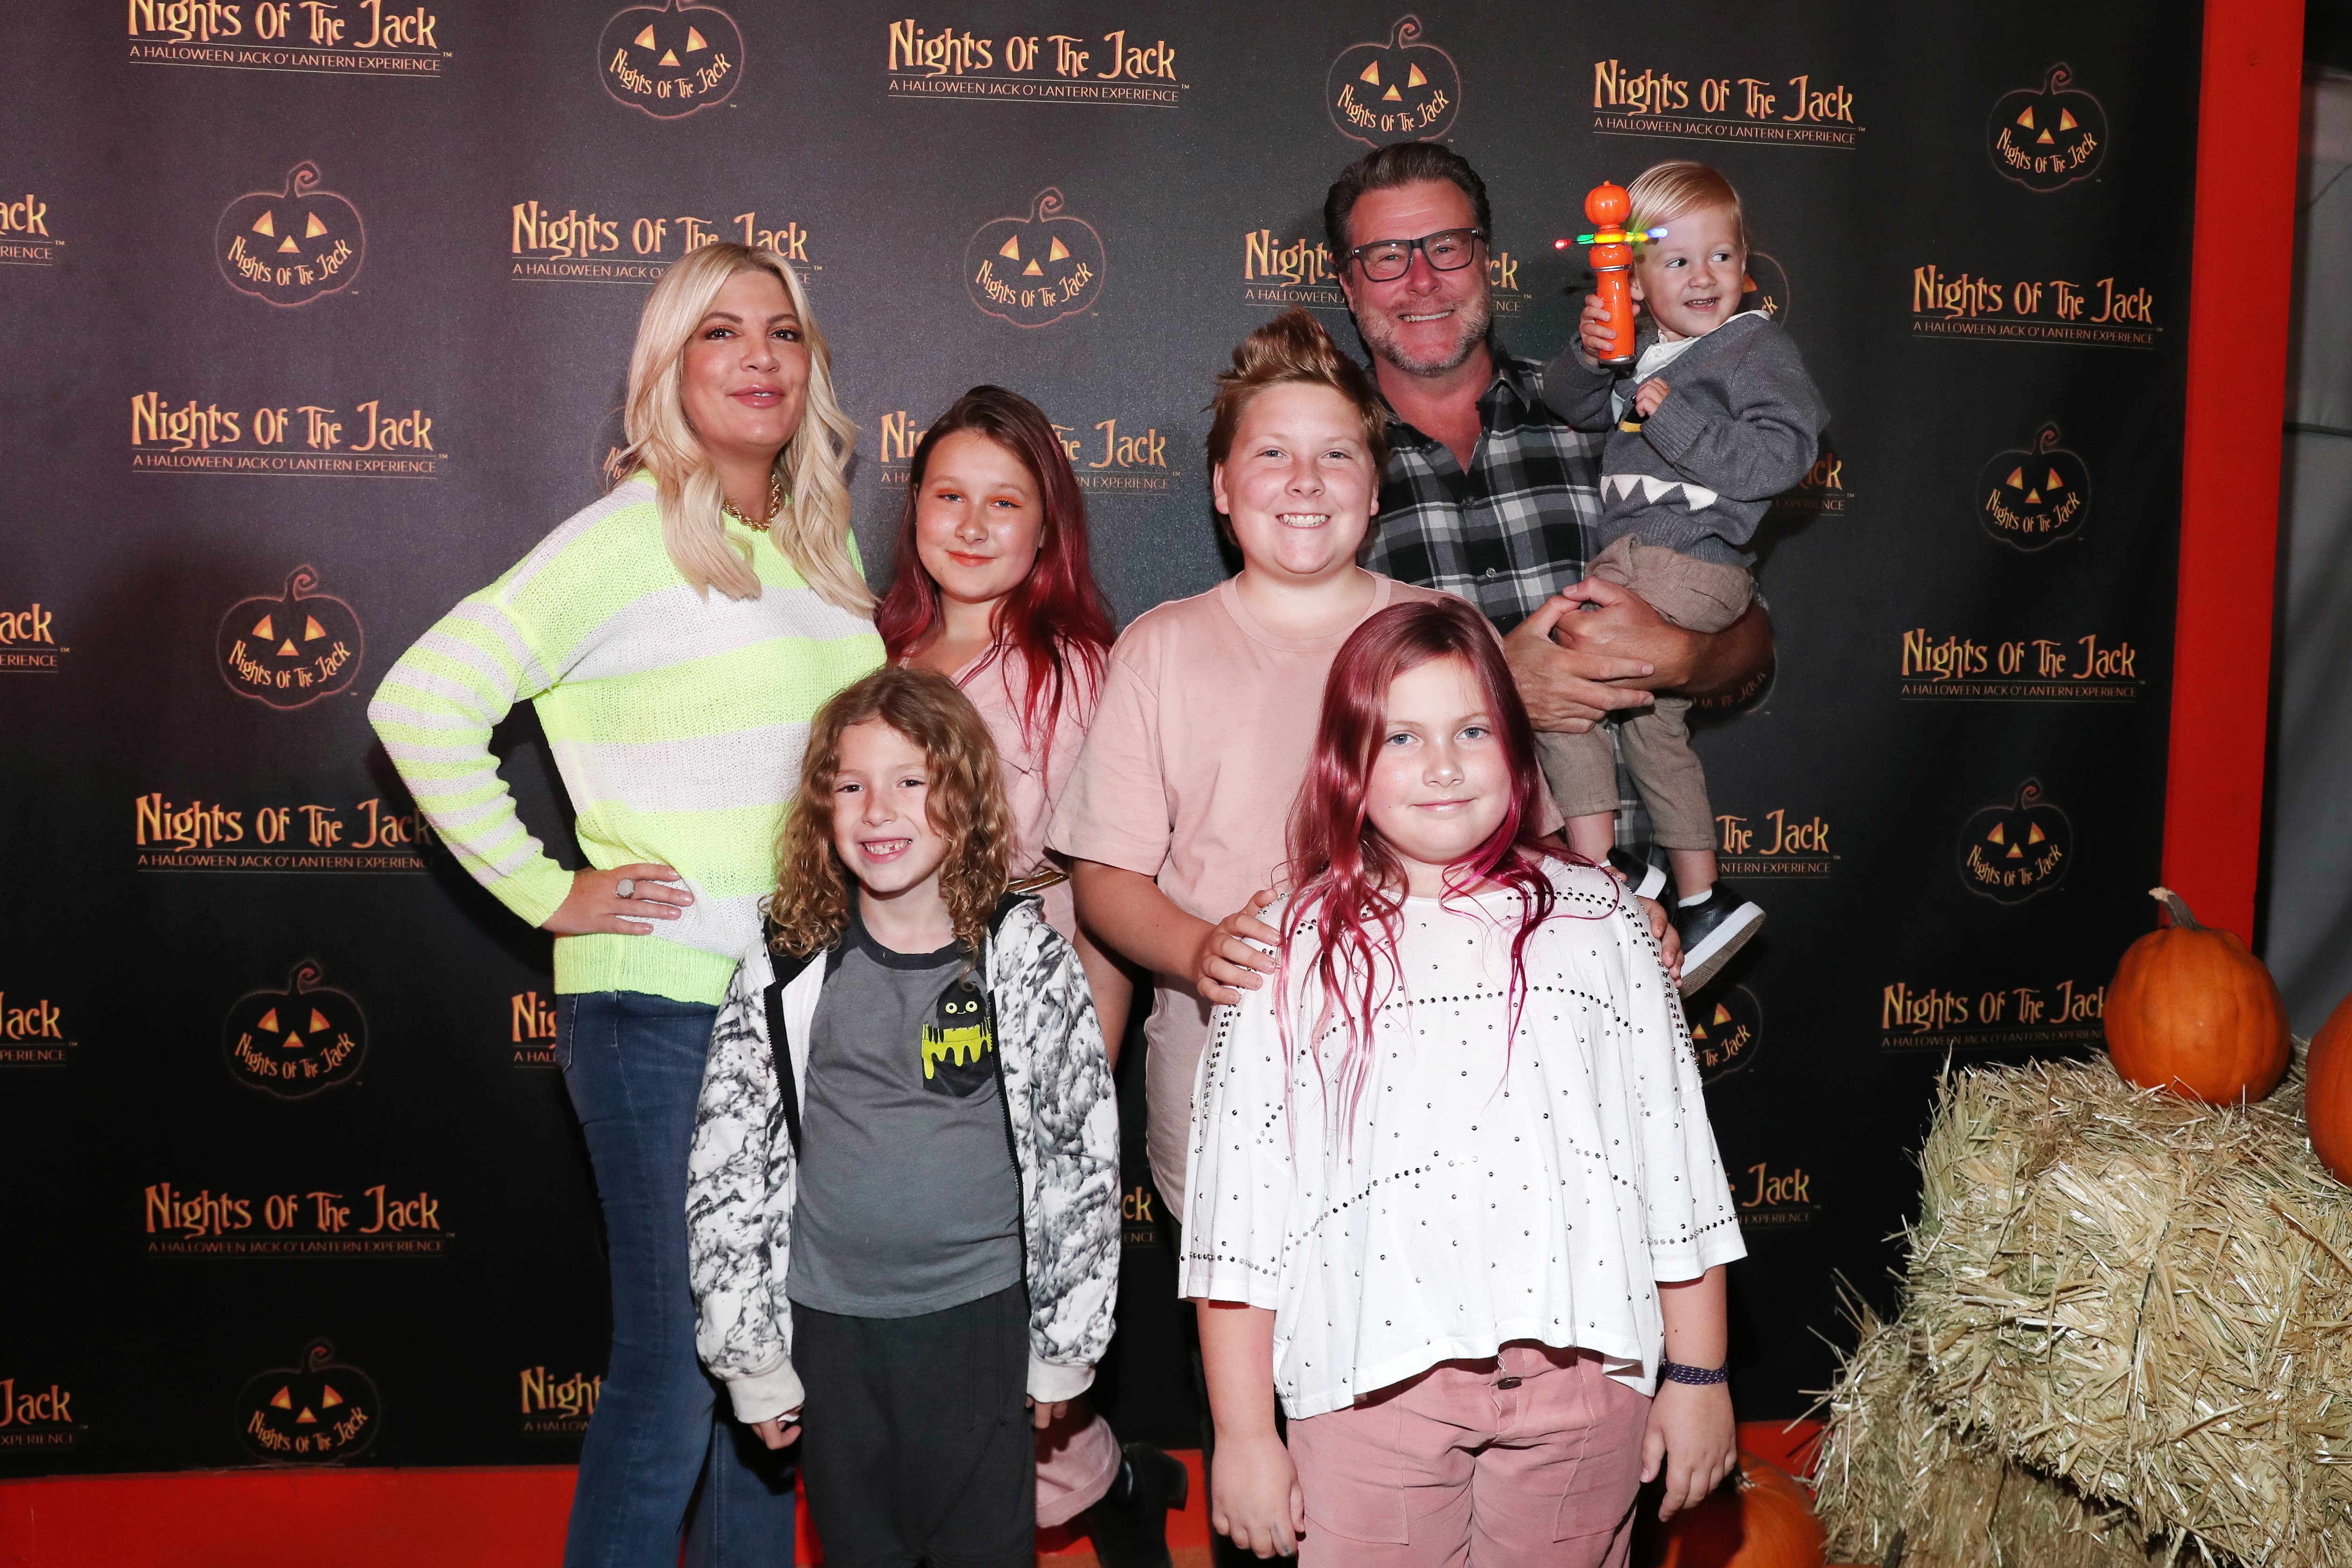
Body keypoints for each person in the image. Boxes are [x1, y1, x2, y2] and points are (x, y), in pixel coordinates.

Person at [370, 241, 880, 1566]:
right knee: (671, 1367)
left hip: (794, 1013)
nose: (760, 355)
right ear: (667, 368)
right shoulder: (627, 534)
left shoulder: (816, 549)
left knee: (763, 1363)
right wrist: (552, 890)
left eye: (783, 330)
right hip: (658, 1008)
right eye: (720, 333)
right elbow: (419, 703)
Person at [1182, 597, 1746, 1566]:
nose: (1442, 765)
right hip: (1369, 1395)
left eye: (1472, 730)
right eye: (1402, 736)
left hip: (1585, 1390)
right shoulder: (1283, 949)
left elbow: (1675, 1162)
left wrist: (1700, 1374)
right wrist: (1241, 1434)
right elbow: (1239, 1223)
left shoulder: (1600, 919)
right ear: (1347, 763)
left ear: (1517, 747)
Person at [686, 666, 1121, 1568]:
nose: (878, 810)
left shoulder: (1023, 956)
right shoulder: (785, 963)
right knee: (859, 1549)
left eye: (910, 782)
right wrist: (753, 1359)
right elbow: (728, 1166)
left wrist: (1064, 1341)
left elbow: (1077, 1151)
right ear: (822, 808)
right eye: (851, 786)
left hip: (979, 1315)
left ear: (962, 797)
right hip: (830, 1322)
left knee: (982, 1552)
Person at [874, 386, 1186, 1565]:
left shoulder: (1079, 674)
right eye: (948, 496)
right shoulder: (870, 656)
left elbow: (1100, 903)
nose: (971, 523)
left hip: (1025, 1054)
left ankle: (1073, 1499)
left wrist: (1079, 1081)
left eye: (1004, 502)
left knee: (1008, 1329)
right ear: (914, 510)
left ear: (1047, 526)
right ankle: (1111, 1486)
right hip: (885, 1054)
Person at [1323, 143, 1775, 884]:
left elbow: (1750, 636)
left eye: (1447, 247)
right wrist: (1493, 685)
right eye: (1384, 257)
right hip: (1416, 918)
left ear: (1486, 262)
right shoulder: (1315, 469)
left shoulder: (1618, 408)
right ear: (1347, 285)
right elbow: (1284, 691)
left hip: (1633, 921)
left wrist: (1681, 656)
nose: (1422, 279)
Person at [1541, 160, 1826, 992]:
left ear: (1745, 263)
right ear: (1633, 277)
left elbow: (1787, 452)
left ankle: (1590, 882)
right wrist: (1593, 353)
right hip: (1653, 561)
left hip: (1684, 559)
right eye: (1674, 261)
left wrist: (1679, 416)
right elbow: (1572, 404)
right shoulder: (1650, 353)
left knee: (1562, 688)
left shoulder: (1749, 345)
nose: (1703, 278)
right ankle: (1700, 894)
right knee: (1652, 727)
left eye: (1723, 258)